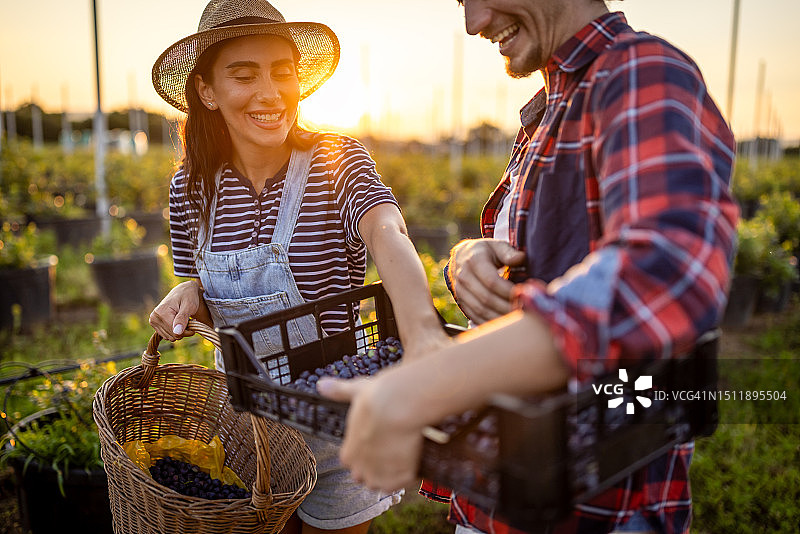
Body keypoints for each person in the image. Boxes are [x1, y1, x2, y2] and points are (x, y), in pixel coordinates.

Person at [318, 1, 739, 533]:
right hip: (509, 484)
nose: (472, 23)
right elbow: (545, 259)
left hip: (596, 501)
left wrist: (429, 383)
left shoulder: (638, 72)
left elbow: (664, 270)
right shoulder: (549, 109)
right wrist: (468, 258)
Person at [147, 1, 448, 533]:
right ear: (207, 92)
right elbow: (195, 274)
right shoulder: (190, 188)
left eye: (281, 73)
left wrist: (422, 331)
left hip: (337, 422)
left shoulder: (337, 160)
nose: (269, 92)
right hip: (247, 428)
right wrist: (188, 293)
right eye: (244, 75)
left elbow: (387, 231)